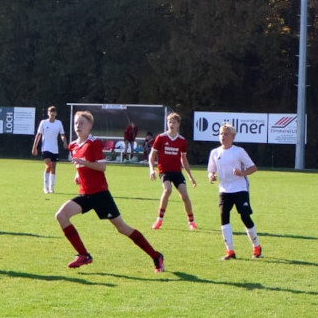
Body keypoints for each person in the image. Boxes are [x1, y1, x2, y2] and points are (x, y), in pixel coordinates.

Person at [55, 110, 165, 272]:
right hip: (85, 194)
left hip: (100, 195)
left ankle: (156, 256)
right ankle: (83, 255)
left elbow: (102, 166)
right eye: (76, 123)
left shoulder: (94, 143)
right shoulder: (73, 145)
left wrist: (84, 164)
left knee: (122, 228)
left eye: (82, 123)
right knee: (61, 215)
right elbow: (81, 165)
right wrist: (78, 174)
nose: (78, 126)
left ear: (90, 126)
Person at [208, 123, 261, 260]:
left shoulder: (239, 151)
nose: (223, 136)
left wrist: (242, 173)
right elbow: (211, 170)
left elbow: (253, 167)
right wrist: (211, 176)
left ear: (233, 136)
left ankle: (256, 246)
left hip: (240, 189)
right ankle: (230, 251)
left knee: (245, 216)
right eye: (221, 134)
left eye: (226, 134)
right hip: (224, 190)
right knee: (224, 216)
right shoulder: (215, 152)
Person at [149, 112, 198, 230]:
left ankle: (191, 222)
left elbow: (184, 159)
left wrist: (190, 176)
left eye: (174, 122)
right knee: (167, 190)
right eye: (169, 122)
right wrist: (151, 169)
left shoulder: (182, 141)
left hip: (177, 172)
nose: (171, 124)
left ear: (178, 125)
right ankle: (159, 220)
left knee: (185, 196)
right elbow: (152, 155)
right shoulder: (160, 138)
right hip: (164, 171)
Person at [33, 106, 66, 194]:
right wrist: (34, 147)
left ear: (56, 113)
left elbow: (62, 134)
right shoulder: (43, 122)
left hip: (55, 149)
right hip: (46, 148)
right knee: (48, 165)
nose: (52, 113)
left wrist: (64, 142)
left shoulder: (58, 123)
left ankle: (51, 187)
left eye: (53, 111)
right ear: (48, 113)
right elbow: (38, 135)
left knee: (53, 168)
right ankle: (45, 187)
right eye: (50, 111)